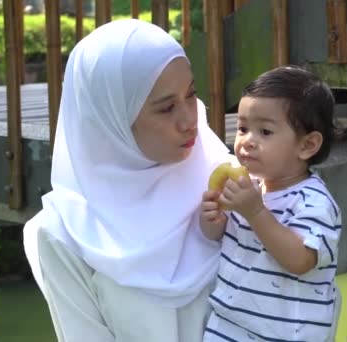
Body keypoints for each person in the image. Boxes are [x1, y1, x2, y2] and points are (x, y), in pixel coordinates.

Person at [22, 19, 231, 341]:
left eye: (191, 95)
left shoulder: (226, 185)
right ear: (112, 120)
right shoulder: (65, 234)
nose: (191, 119)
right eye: (166, 108)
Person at [200, 66, 343, 341]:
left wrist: (255, 212)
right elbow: (229, 239)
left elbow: (301, 260)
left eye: (264, 131)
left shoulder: (313, 202)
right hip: (228, 323)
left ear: (307, 145)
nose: (247, 141)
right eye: (243, 128)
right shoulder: (249, 185)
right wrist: (211, 222)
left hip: (284, 332)